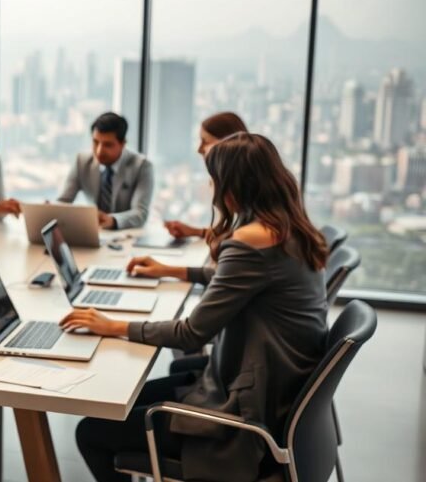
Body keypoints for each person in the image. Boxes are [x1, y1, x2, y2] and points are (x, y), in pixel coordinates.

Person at [61, 133, 329, 482]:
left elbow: (192, 332)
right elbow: (232, 279)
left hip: (243, 416)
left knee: (92, 432)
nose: (211, 187)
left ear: (233, 185)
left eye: (214, 179)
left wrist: (114, 326)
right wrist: (174, 270)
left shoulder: (251, 241)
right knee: (124, 402)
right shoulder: (290, 227)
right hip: (274, 390)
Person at [57, 112, 153, 229]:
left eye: (108, 145)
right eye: (95, 142)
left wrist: (113, 220)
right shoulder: (81, 162)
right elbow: (63, 202)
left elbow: (140, 213)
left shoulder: (142, 166)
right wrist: (52, 209)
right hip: (94, 232)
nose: (99, 151)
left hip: (126, 235)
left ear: (123, 144)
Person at [164, 111, 249, 240]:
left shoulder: (240, 186)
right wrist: (196, 232)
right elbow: (232, 234)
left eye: (205, 141)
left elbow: (239, 238)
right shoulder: (239, 178)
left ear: (227, 144)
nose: (199, 149)